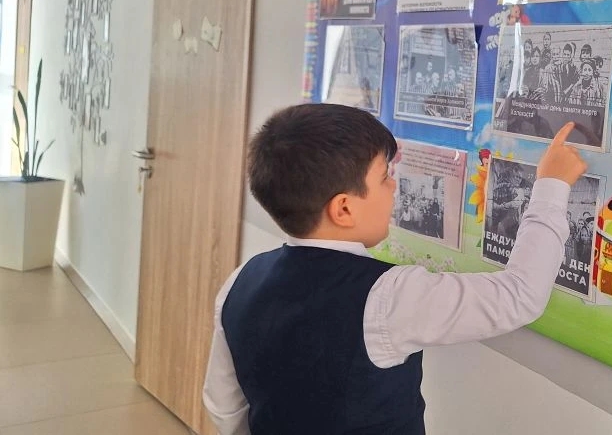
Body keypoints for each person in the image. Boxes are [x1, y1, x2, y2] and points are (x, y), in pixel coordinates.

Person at [203, 106, 587, 434]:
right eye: (384, 176)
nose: (394, 186)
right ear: (344, 209)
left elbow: (224, 407)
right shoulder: (389, 296)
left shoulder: (241, 281)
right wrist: (552, 186)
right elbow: (520, 295)